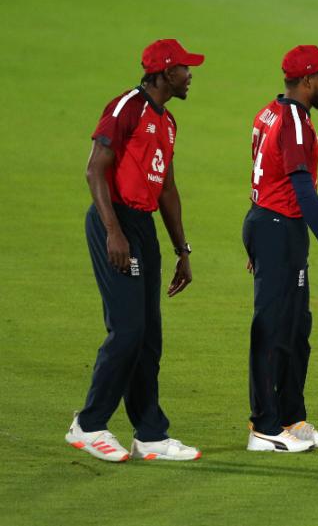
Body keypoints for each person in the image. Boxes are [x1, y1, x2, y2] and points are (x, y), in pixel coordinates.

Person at [65, 39, 204, 462]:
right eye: (184, 68)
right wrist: (113, 231)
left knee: (149, 338)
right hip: (116, 220)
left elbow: (168, 189)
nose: (190, 75)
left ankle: (150, 435)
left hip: (141, 225)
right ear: (164, 72)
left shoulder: (169, 122)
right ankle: (88, 425)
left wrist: (183, 250)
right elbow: (95, 169)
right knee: (127, 330)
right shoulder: (127, 107)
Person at [242, 45, 318, 453]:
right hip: (277, 226)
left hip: (272, 224)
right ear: (307, 81)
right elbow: (300, 186)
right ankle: (264, 427)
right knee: (271, 328)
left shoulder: (273, 111)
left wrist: (255, 233)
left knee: (295, 328)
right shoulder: (292, 120)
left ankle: (292, 419)